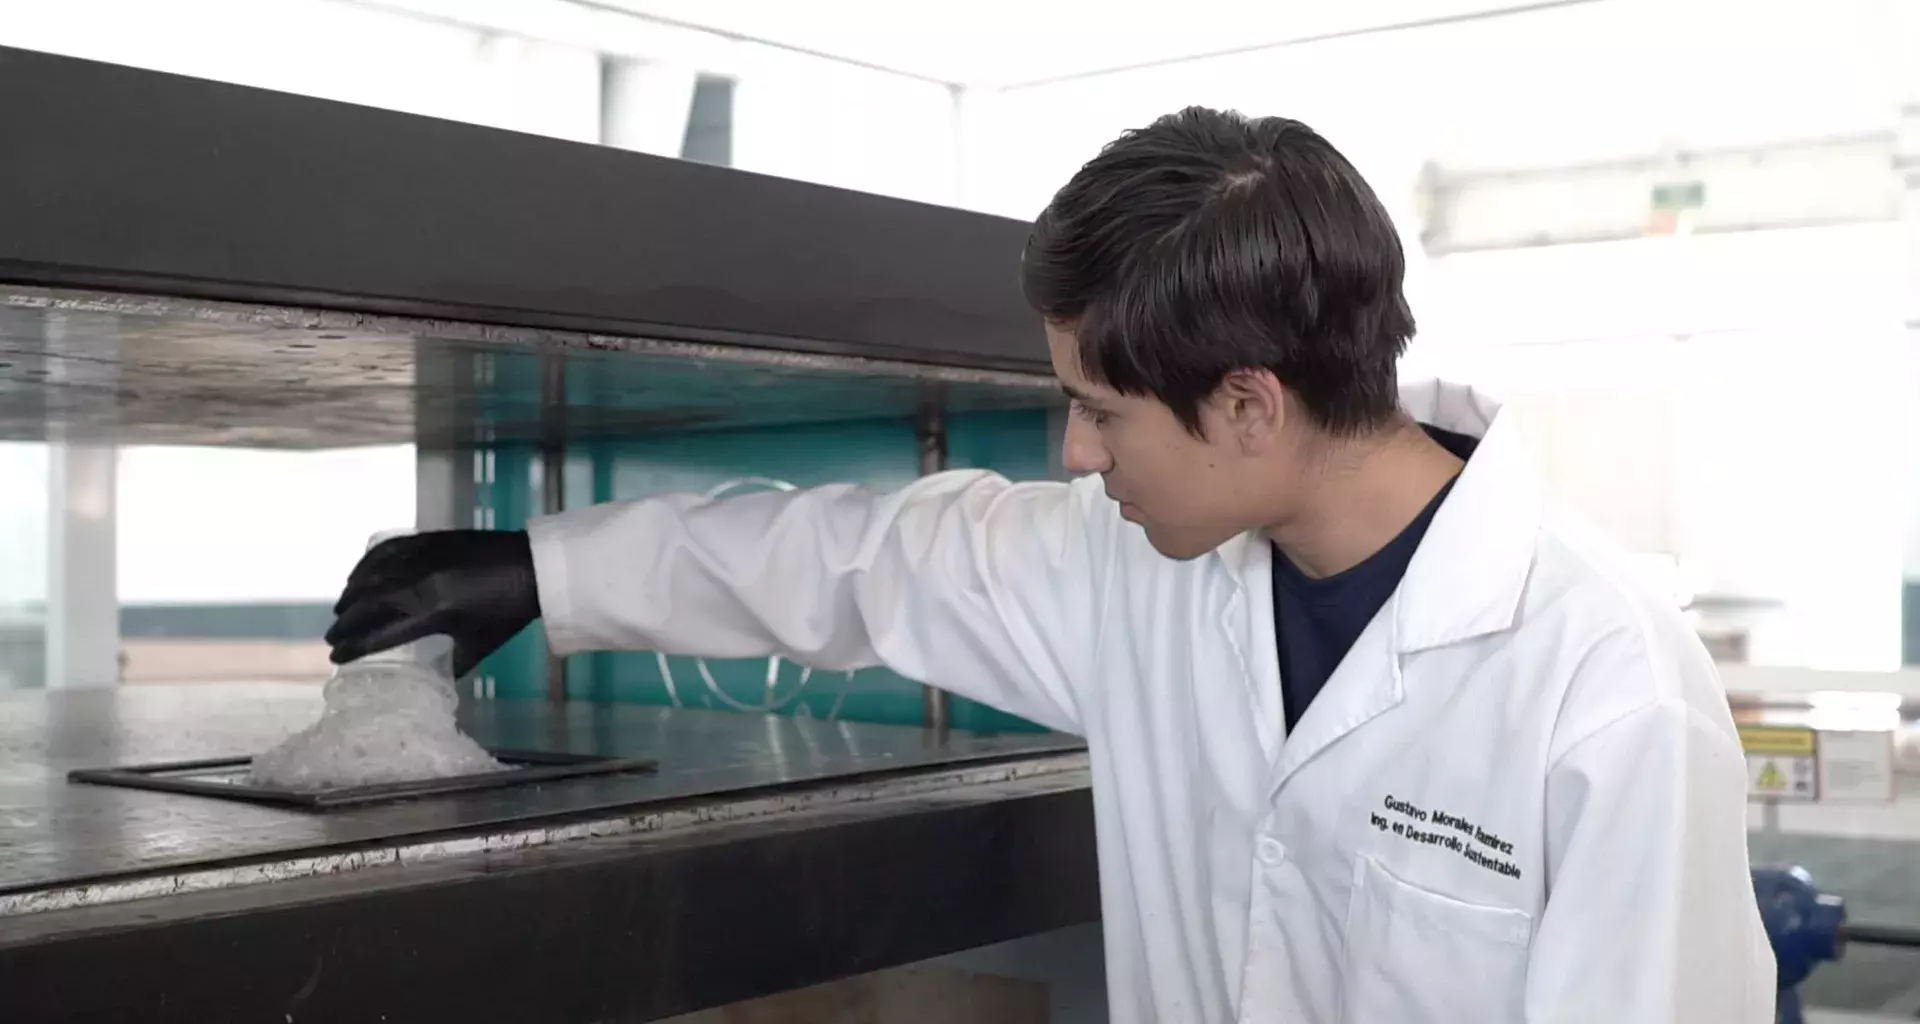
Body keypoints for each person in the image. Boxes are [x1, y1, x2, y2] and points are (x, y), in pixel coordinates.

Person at [326, 107, 1775, 1023]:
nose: (1077, 457)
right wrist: (536, 569)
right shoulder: (1142, 571)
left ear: (1250, 404)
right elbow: (862, 562)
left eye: (1099, 411)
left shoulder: (1602, 688)